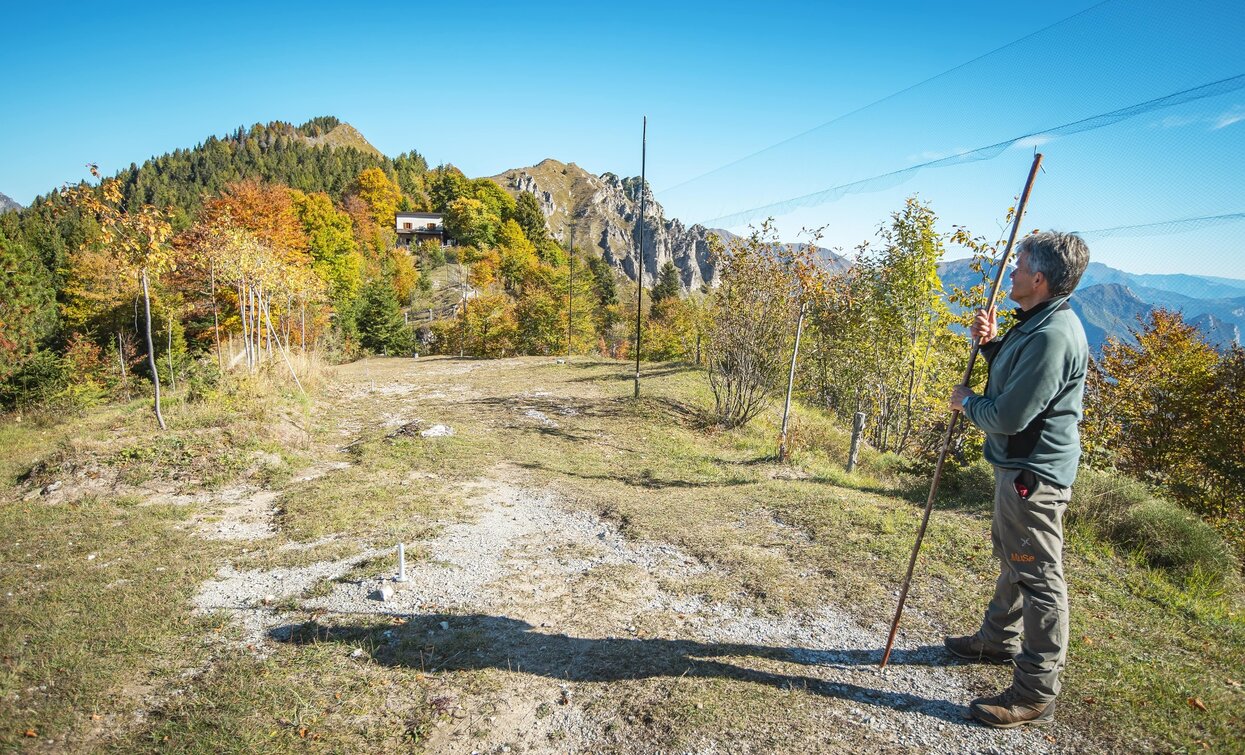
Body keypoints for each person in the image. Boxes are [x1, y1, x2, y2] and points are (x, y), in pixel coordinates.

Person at [946, 231, 1091, 728]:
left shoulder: (1052, 335)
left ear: (1039, 278)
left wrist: (967, 403)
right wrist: (990, 347)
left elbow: (1008, 415)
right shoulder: (1037, 325)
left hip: (1032, 475)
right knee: (1016, 554)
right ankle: (995, 641)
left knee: (1037, 574)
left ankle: (1034, 693)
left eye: (1019, 264)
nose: (1011, 272)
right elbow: (1020, 381)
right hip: (1023, 468)